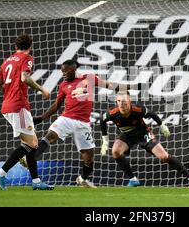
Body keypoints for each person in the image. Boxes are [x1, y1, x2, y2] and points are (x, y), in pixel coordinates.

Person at [31, 59, 130, 188]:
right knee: (50, 135)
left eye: (65, 71)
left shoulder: (89, 78)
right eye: (62, 72)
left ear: (73, 69)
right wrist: (42, 118)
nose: (63, 74)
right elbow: (56, 105)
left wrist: (130, 87)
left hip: (83, 124)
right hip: (66, 118)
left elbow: (109, 85)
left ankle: (82, 179)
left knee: (89, 160)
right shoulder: (63, 86)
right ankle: (30, 159)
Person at [100, 91, 189, 187]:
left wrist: (162, 125)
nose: (121, 104)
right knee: (115, 152)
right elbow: (102, 120)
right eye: (119, 101)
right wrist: (105, 141)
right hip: (126, 136)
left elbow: (152, 114)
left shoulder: (138, 110)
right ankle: (132, 179)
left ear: (129, 101)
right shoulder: (112, 113)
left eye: (124, 102)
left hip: (144, 135)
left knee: (163, 156)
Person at [0, 33, 53, 191]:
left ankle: (36, 181)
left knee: (32, 143)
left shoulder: (6, 62)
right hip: (18, 105)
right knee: (31, 144)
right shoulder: (27, 58)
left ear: (15, 46)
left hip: (7, 105)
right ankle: (1, 173)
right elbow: (25, 78)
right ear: (30, 46)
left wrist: (10, 90)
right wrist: (42, 89)